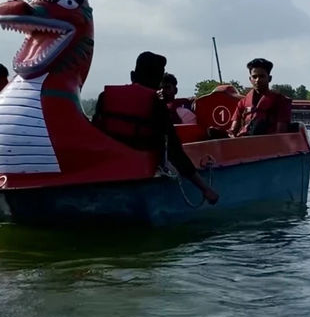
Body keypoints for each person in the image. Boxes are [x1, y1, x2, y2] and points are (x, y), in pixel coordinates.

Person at [92, 51, 218, 204]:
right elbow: (175, 152)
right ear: (159, 81)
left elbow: (93, 133)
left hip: (104, 171)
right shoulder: (156, 105)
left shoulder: (104, 97)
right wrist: (205, 188)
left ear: (132, 75)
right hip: (140, 171)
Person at [228, 58, 291, 137]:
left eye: (262, 76)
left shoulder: (281, 101)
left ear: (269, 78)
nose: (257, 80)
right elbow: (233, 130)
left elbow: (281, 134)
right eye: (254, 77)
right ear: (250, 79)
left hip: (268, 143)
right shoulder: (242, 103)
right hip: (243, 142)